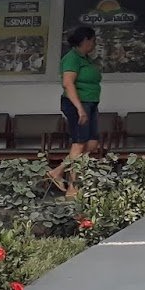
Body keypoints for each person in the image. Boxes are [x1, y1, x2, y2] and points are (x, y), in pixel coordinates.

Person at [47, 25, 101, 194]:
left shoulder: (86, 59)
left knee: (91, 144)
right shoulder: (72, 58)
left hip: (90, 103)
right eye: (93, 40)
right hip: (78, 104)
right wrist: (80, 109)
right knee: (79, 144)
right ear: (85, 40)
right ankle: (73, 188)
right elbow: (68, 83)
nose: (94, 44)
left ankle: (57, 171)